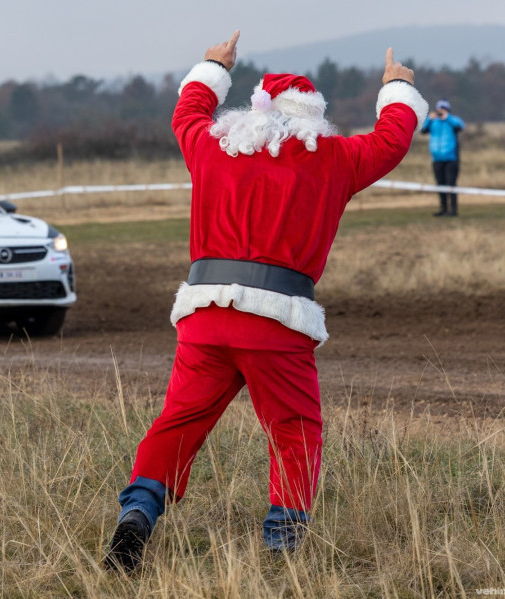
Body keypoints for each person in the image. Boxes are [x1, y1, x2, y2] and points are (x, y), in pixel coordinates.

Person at [103, 30, 427, 572]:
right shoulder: (335, 159)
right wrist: (396, 89)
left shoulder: (211, 145)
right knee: (295, 430)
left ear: (258, 112)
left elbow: (187, 112)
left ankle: (138, 511)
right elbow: (391, 141)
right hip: (278, 323)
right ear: (311, 118)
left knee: (178, 422)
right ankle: (283, 542)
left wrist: (213, 66)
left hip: (204, 317)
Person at [421, 99, 465, 216]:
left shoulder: (453, 120)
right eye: (439, 109)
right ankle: (443, 209)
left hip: (451, 158)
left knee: (451, 184)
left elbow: (460, 127)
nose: (441, 112)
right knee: (440, 184)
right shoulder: (433, 122)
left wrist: (447, 118)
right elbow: (423, 130)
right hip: (437, 159)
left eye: (443, 109)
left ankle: (453, 210)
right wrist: (429, 119)